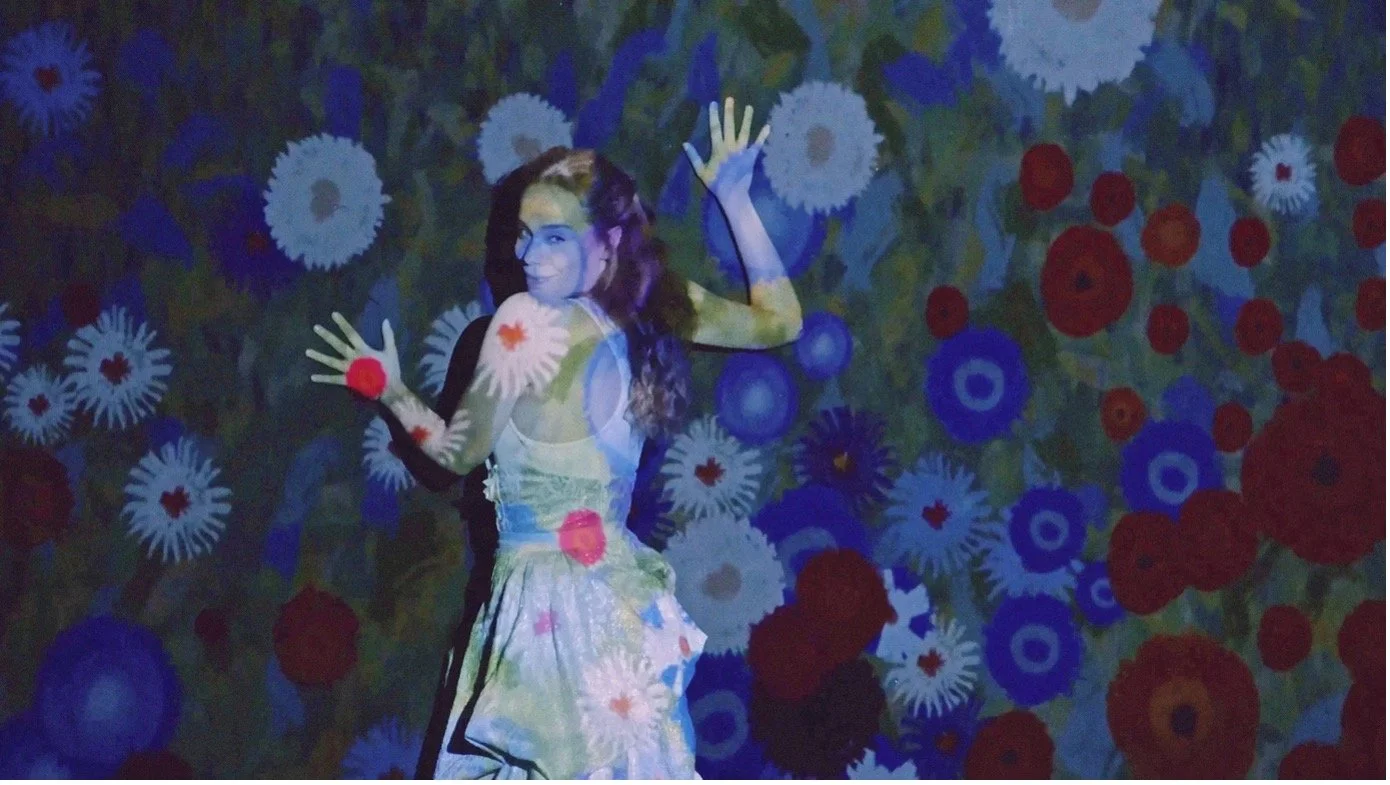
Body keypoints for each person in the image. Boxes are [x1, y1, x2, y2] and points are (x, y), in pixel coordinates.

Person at [306, 96, 803, 778]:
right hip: (615, 611)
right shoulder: (656, 306)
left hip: (544, 622)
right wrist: (736, 201)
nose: (527, 255)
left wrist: (390, 390)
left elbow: (455, 454)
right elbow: (781, 320)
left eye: (554, 237)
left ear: (610, 242)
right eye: (522, 234)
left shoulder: (525, 323)